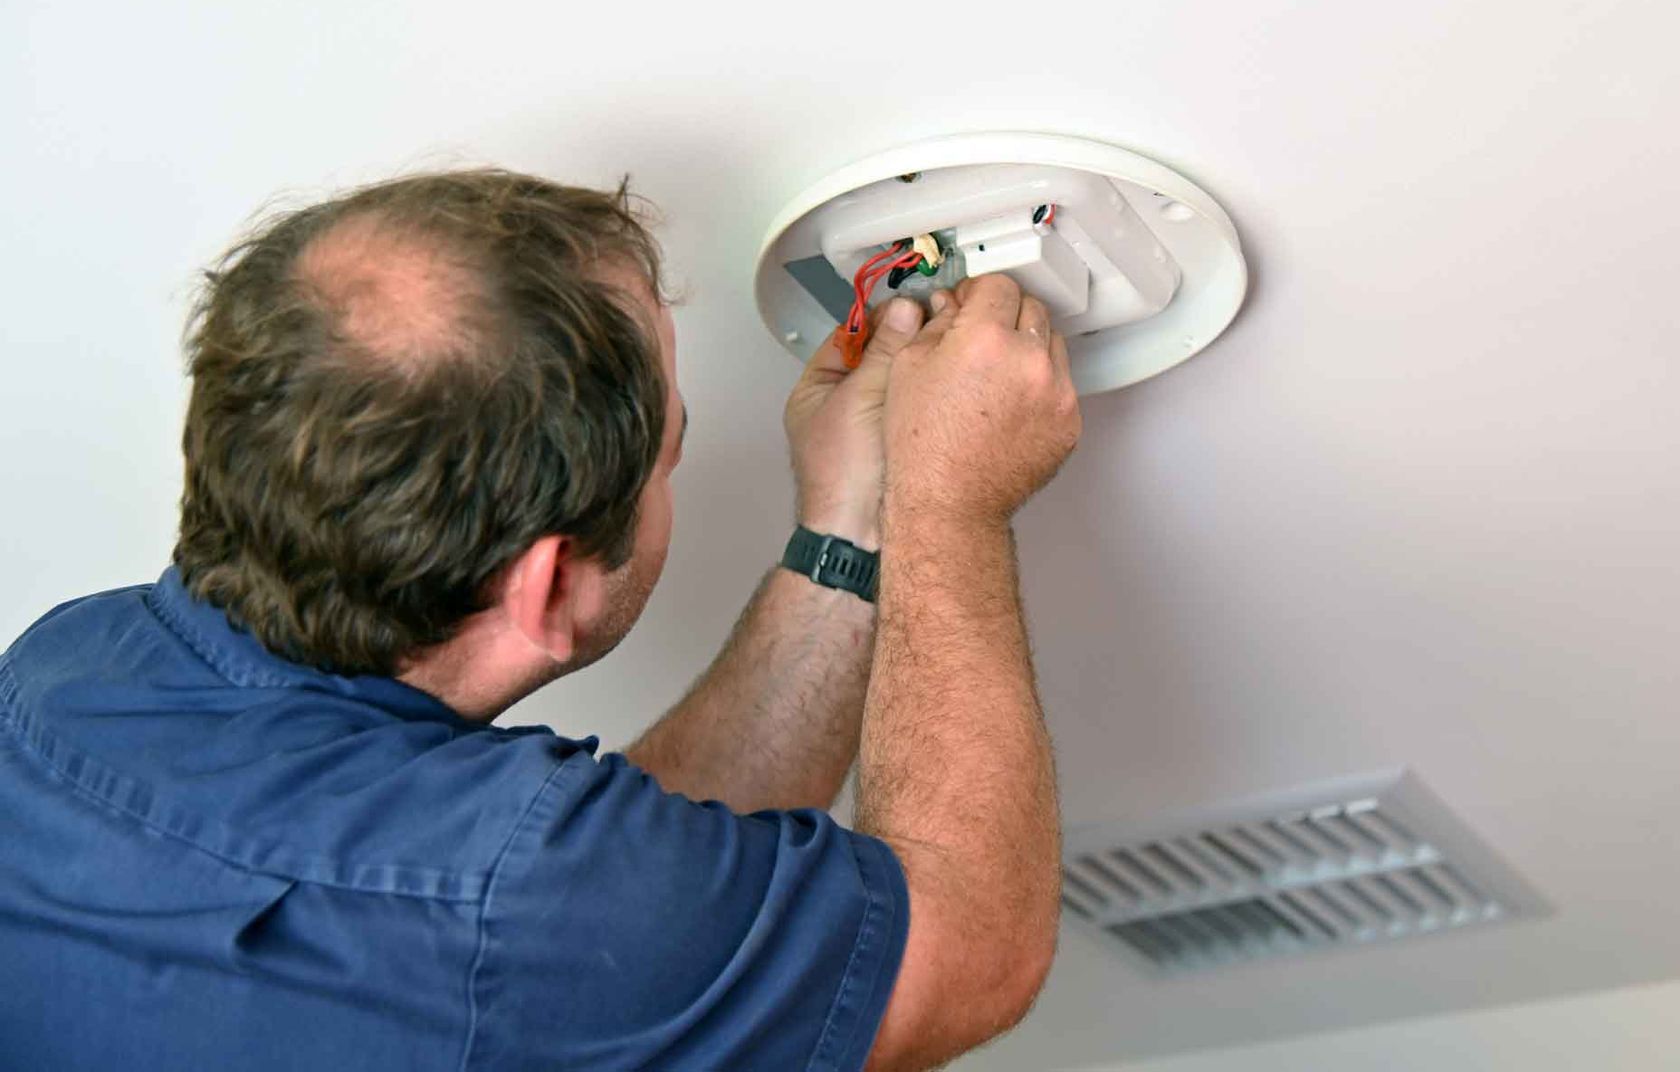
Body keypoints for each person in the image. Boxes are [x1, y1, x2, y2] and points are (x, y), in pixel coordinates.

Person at [0, 170, 1081, 1071]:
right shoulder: (516, 900)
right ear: (550, 586)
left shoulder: (69, 670)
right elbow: (973, 945)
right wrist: (949, 501)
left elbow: (620, 916)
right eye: (674, 451)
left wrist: (853, 524)